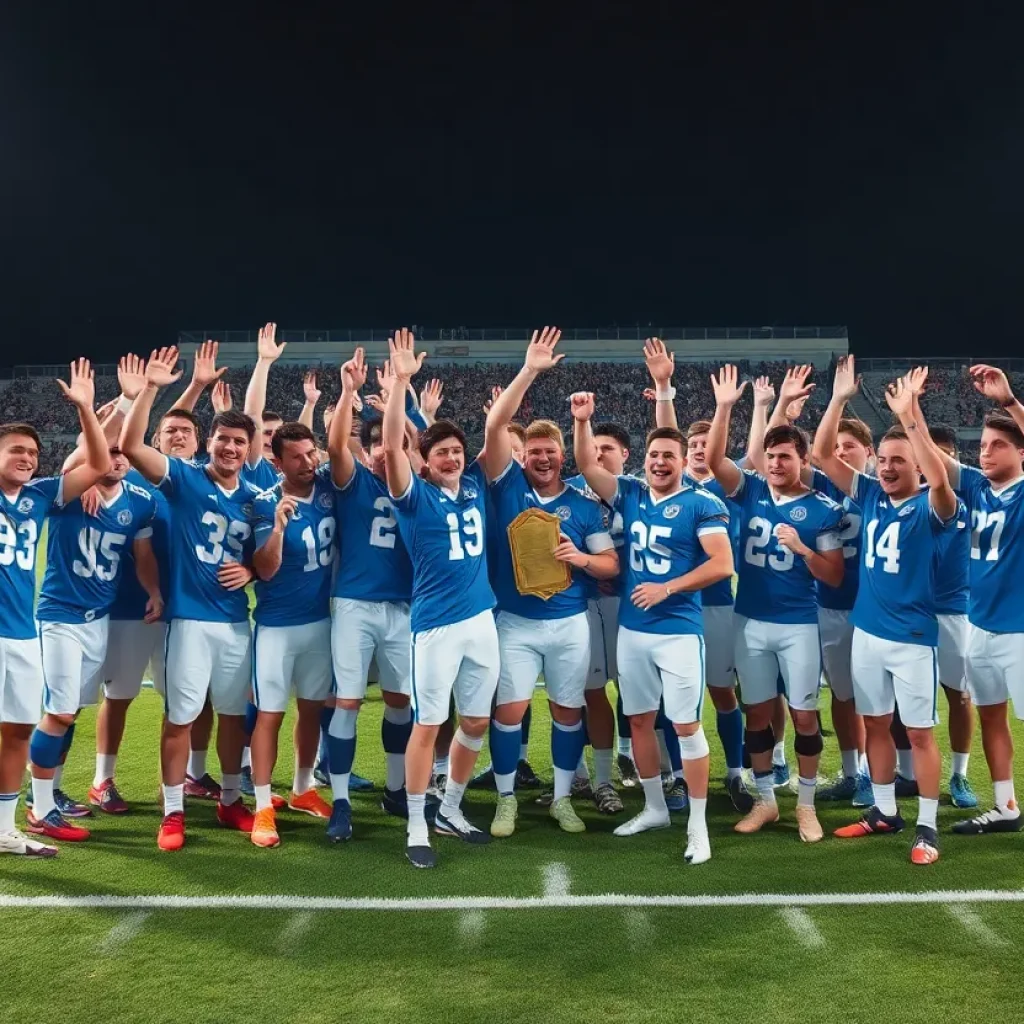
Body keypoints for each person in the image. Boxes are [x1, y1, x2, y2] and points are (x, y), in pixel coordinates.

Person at [573, 392, 733, 863]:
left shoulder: (701, 502)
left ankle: (698, 826)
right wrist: (582, 421)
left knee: (685, 724)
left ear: (683, 461)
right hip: (634, 630)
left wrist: (669, 587)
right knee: (639, 719)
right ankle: (655, 808)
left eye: (669, 455)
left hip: (679, 630)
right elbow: (586, 464)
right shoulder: (632, 491)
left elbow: (721, 563)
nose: (660, 462)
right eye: (654, 455)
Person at [480, 328, 619, 838]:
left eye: (550, 452)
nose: (541, 458)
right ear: (523, 456)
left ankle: (562, 798)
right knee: (510, 709)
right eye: (533, 451)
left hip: (568, 622)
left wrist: (581, 558)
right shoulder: (505, 486)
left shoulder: (583, 506)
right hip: (515, 620)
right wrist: (531, 370)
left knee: (568, 708)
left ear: (563, 456)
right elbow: (495, 425)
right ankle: (506, 799)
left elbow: (611, 568)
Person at [817, 369, 959, 865]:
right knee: (874, 723)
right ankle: (883, 811)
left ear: (918, 466)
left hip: (912, 637)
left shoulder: (933, 505)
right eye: (884, 460)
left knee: (918, 732)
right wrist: (837, 399)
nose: (888, 468)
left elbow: (940, 478)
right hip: (866, 633)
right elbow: (821, 456)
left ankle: (926, 826)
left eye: (900, 461)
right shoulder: (873, 494)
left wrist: (909, 418)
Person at [120, 346, 258, 852]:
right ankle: (173, 811)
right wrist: (151, 388)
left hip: (235, 622)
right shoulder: (185, 479)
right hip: (190, 620)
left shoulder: (255, 497)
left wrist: (249, 568)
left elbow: (269, 559)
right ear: (210, 442)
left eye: (238, 442)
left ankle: (228, 799)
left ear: (249, 448)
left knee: (231, 716)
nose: (229, 448)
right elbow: (132, 443)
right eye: (222, 438)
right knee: (180, 716)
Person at [707, 365, 844, 844]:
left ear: (802, 460)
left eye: (785, 457)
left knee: (805, 715)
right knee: (757, 713)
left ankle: (804, 805)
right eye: (770, 456)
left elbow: (834, 573)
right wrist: (726, 406)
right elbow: (715, 457)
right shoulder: (747, 493)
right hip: (751, 620)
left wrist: (805, 550)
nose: (776, 465)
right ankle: (766, 800)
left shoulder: (822, 508)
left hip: (799, 623)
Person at [383, 329, 499, 869]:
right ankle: (415, 823)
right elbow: (392, 449)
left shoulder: (474, 486)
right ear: (424, 462)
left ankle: (452, 806)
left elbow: (477, 442)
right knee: (428, 725)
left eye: (457, 450)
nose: (453, 457)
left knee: (475, 722)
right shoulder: (414, 496)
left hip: (482, 622)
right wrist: (401, 385)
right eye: (442, 452)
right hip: (435, 625)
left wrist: (427, 420)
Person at [0, 360, 111, 856]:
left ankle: (5, 828)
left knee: (19, 730)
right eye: (15, 450)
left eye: (31, 452)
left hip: (23, 633)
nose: (26, 458)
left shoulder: (40, 495)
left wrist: (88, 408)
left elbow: (100, 464)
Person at [26, 438, 160, 842]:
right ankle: (39, 805)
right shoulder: (70, 491)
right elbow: (78, 461)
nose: (116, 460)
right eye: (109, 452)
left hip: (98, 620)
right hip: (60, 616)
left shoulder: (138, 501)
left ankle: (51, 791)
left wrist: (153, 592)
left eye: (122, 453)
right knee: (60, 712)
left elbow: (144, 554)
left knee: (74, 709)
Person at [646, 338, 752, 814]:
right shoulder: (675, 485)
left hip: (717, 605)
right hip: (674, 608)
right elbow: (664, 438)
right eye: (690, 445)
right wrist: (664, 387)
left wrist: (728, 408)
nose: (693, 451)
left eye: (702, 446)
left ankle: (735, 772)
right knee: (673, 701)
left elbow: (719, 456)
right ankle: (672, 776)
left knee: (722, 691)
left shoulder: (727, 484)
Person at [323, 349, 421, 842]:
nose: (389, 449)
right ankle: (340, 800)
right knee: (347, 702)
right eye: (382, 443)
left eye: (399, 442)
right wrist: (345, 394)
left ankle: (397, 788)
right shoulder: (353, 479)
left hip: (404, 607)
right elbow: (337, 443)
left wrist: (404, 391)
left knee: (402, 701)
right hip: (357, 604)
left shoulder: (420, 488)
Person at [932, 364, 1024, 836]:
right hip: (979, 625)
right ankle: (1006, 806)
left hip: (1020, 630)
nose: (986, 453)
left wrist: (1009, 402)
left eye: (998, 445)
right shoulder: (976, 488)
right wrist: (908, 416)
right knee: (992, 718)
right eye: (983, 445)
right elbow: (935, 462)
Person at [248, 422, 336, 848]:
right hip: (277, 626)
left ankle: (302, 789)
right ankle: (263, 805)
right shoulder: (266, 503)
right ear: (277, 462)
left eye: (311, 452)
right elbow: (264, 568)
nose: (308, 462)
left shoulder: (328, 489)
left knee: (312, 710)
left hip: (320, 622)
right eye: (297, 457)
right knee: (270, 714)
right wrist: (280, 528)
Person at [808, 359, 874, 807]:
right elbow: (816, 453)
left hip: (874, 607)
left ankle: (875, 773)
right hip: (830, 603)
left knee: (873, 696)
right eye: (839, 445)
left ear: (867, 452)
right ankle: (852, 771)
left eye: (851, 446)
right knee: (843, 693)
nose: (843, 452)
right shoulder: (822, 488)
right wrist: (836, 399)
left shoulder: (880, 488)